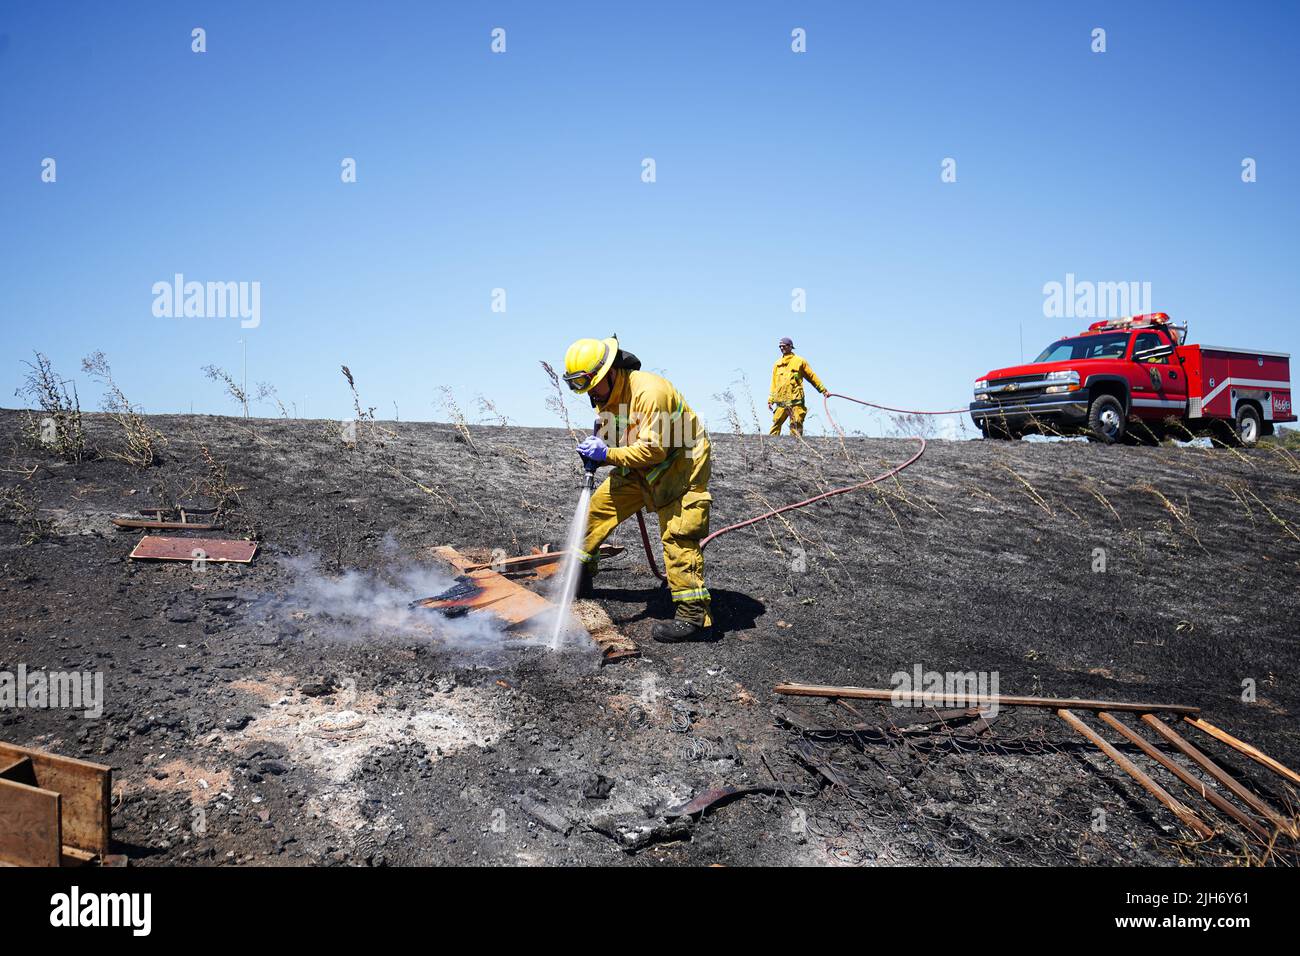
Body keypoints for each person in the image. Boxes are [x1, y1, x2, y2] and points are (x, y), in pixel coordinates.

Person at [563, 336, 713, 643]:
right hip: (639, 467)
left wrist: (605, 456)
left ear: (609, 373)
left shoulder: (650, 392)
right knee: (597, 511)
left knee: (678, 535)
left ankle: (692, 616)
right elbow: (618, 439)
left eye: (591, 386)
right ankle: (580, 577)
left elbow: (653, 451)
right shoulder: (607, 396)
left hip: (680, 465)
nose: (589, 394)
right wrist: (602, 450)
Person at [768, 337, 827, 436]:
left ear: (790, 347)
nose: (782, 348)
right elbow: (774, 383)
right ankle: (769, 449)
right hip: (781, 401)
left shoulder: (800, 361)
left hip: (796, 401)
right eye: (780, 346)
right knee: (776, 425)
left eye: (784, 346)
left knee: (796, 425)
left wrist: (823, 390)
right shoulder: (777, 364)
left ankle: (796, 448)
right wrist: (771, 399)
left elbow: (812, 376)